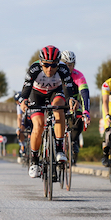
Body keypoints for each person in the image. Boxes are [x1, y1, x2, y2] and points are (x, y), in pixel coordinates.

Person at [18, 46, 78, 178]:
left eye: (53, 65)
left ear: (58, 63)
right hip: (37, 94)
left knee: (59, 108)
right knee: (38, 126)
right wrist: (23, 101)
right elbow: (26, 88)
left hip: (54, 93)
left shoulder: (63, 69)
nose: (49, 69)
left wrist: (71, 100)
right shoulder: (34, 69)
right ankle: (34, 161)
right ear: (41, 63)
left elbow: (68, 89)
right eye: (46, 65)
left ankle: (59, 148)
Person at [60, 50, 90, 165]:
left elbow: (85, 93)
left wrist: (86, 111)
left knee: (79, 120)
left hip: (75, 104)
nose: (68, 68)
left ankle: (72, 142)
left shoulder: (78, 75)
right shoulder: (56, 75)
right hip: (60, 103)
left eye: (71, 65)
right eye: (66, 64)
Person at [14, 91, 33, 163]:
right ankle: (23, 146)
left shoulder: (31, 101)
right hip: (25, 121)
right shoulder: (19, 106)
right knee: (19, 131)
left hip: (33, 119)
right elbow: (19, 117)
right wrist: (19, 128)